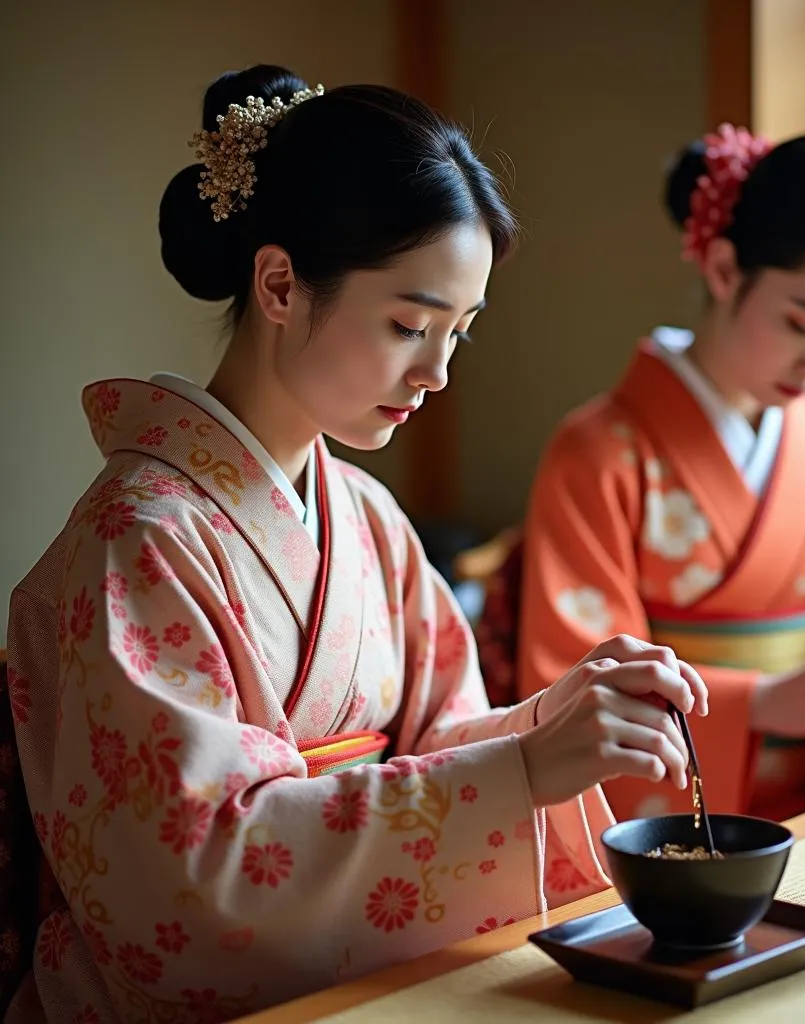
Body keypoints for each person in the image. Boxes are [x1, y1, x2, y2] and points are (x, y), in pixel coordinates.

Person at [2, 66, 709, 1024]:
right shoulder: (137, 541)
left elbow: (426, 747)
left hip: (364, 986)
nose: (438, 370)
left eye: (459, 332)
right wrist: (520, 774)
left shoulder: (366, 515)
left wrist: (544, 727)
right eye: (409, 325)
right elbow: (182, 889)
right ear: (281, 284)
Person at [515, 124, 805, 825]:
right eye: (802, 323)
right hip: (674, 838)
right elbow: (574, 688)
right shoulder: (597, 453)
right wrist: (754, 704)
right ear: (724, 270)